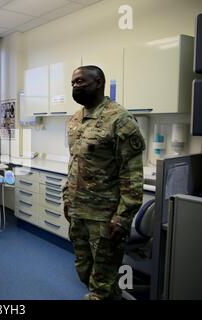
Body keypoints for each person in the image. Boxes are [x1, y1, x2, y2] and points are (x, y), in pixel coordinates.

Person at [62, 65, 145, 300]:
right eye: (72, 83)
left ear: (98, 82)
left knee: (102, 284)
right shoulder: (75, 119)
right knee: (83, 270)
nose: (75, 86)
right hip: (78, 213)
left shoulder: (120, 119)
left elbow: (132, 175)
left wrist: (122, 217)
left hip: (105, 217)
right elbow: (74, 162)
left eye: (80, 81)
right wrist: (67, 197)